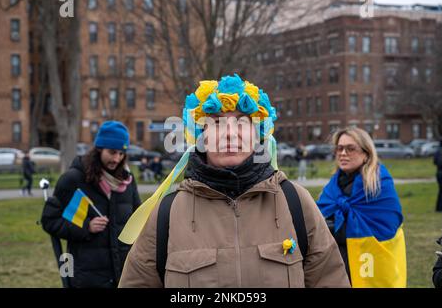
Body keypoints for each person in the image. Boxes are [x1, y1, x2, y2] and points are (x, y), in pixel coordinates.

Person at [118, 74, 349, 288]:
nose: (230, 133)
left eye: (242, 122)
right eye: (216, 123)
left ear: (258, 133)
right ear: (201, 135)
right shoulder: (167, 213)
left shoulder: (296, 203)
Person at [41, 121, 141, 288]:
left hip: (124, 275)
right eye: (112, 152)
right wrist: (86, 227)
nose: (117, 158)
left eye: (121, 153)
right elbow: (50, 221)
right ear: (99, 149)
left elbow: (138, 219)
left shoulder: (128, 181)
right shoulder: (73, 179)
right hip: (87, 277)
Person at [317, 127, 407, 288]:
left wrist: (331, 229)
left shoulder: (379, 185)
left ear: (366, 154)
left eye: (351, 148)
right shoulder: (332, 186)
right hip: (338, 268)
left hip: (370, 266)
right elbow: (318, 220)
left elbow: (386, 226)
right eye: (339, 148)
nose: (343, 153)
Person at [433, 141, 442, 212]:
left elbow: (435, 162)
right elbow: (437, 162)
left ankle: (439, 207)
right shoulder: (440, 152)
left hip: (439, 172)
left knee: (440, 190)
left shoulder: (437, 151)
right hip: (440, 173)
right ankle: (439, 207)